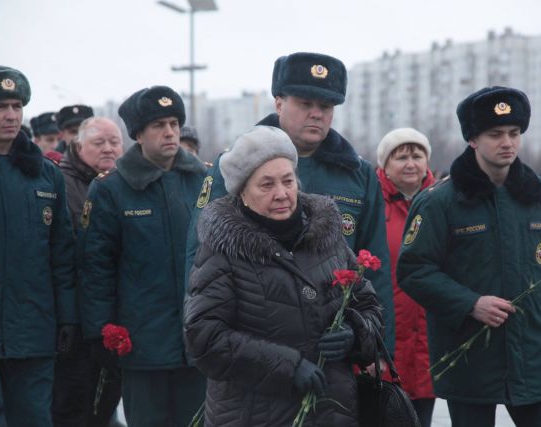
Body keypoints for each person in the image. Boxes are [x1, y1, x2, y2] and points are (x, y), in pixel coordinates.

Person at [397, 86, 541, 427]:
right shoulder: (439, 201)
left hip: (533, 355)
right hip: (470, 357)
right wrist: (471, 303)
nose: (507, 143)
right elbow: (414, 271)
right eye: (495, 134)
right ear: (472, 139)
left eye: (514, 133)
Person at [187, 52, 395, 352]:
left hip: (335, 349)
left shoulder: (357, 174)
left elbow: (375, 268)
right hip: (255, 346)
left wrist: (372, 344)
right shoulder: (234, 165)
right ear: (279, 103)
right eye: (305, 104)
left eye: (325, 106)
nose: (316, 114)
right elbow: (198, 256)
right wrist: (209, 343)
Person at [184, 125, 382, 426]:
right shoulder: (222, 249)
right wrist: (288, 367)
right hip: (254, 414)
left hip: (331, 411)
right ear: (243, 194)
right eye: (266, 185)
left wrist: (355, 334)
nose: (281, 194)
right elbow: (204, 338)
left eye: (287, 181)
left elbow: (368, 304)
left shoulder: (327, 235)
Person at [77, 85, 207, 427]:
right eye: (158, 125)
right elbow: (96, 269)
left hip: (198, 340)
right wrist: (100, 332)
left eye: (174, 124)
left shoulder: (202, 182)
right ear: (138, 134)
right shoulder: (110, 190)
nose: (170, 132)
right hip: (142, 345)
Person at [0, 66, 77, 427]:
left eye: (17, 106)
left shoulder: (45, 174)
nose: (12, 115)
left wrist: (66, 318)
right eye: (1, 106)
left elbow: (62, 254)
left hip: (32, 334)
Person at [53, 117, 124, 427]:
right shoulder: (60, 183)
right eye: (99, 143)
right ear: (79, 146)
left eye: (114, 142)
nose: (108, 149)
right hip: (75, 318)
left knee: (105, 404)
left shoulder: (124, 184)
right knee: (74, 405)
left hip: (114, 314)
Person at [375, 127, 436, 427]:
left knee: (421, 416)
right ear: (385, 165)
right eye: (401, 157)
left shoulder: (440, 201)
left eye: (417, 155)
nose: (411, 163)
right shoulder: (374, 203)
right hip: (387, 331)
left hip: (428, 335)